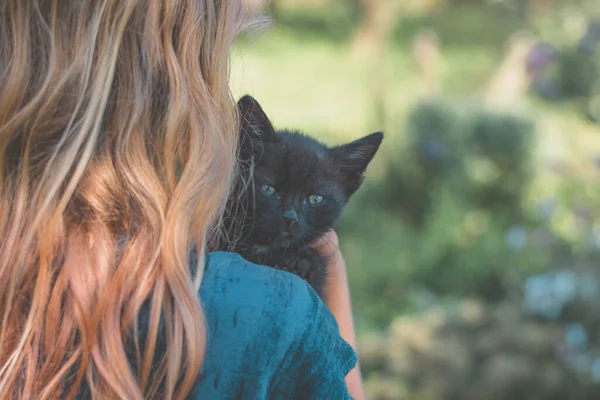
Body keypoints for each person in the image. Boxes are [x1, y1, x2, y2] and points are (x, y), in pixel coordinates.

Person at [0, 1, 362, 399]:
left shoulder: (21, 265)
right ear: (187, 91)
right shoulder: (267, 313)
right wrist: (331, 275)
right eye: (226, 53)